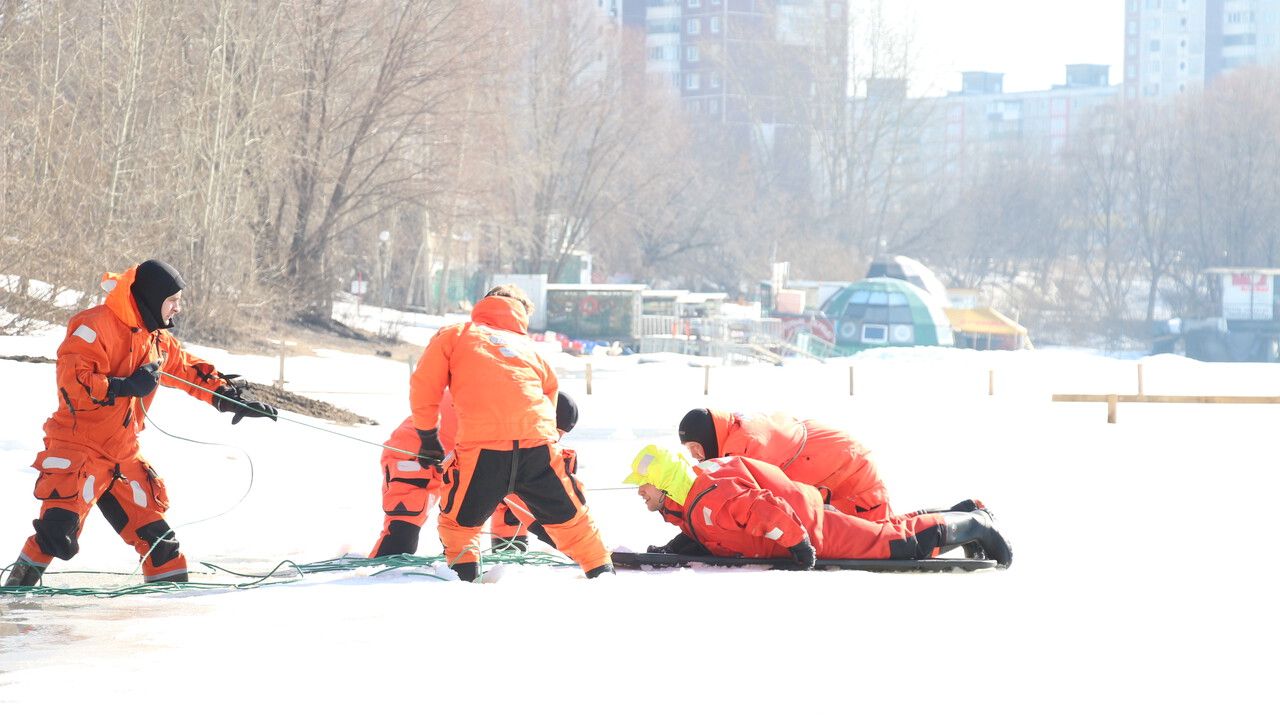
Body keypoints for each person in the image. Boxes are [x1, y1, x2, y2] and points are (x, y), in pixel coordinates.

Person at [3, 260, 278, 587]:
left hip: (123, 455)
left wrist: (228, 396)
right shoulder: (94, 326)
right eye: (172, 300)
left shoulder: (155, 340)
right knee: (56, 536)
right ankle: (15, 598)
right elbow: (73, 385)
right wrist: (124, 386)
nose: (178, 308)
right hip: (79, 448)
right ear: (151, 297)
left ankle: (169, 605)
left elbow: (189, 370)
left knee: (161, 544)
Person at [408, 285, 611, 581]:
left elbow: (424, 386)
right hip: (538, 446)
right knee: (576, 523)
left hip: (483, 450)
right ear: (520, 314)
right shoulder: (529, 349)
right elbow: (549, 398)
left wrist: (427, 438)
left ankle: (464, 584)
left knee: (459, 526)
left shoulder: (456, 334)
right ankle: (604, 576)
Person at [622, 444, 1012, 569]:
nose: (640, 493)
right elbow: (711, 532)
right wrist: (672, 552)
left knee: (897, 546)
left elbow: (764, 511)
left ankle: (977, 524)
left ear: (665, 483)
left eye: (644, 486)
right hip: (806, 513)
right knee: (885, 531)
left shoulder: (712, 498)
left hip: (811, 528)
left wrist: (800, 547)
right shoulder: (688, 495)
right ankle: (961, 510)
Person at [370, 389, 579, 557]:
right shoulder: (508, 422)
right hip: (414, 454)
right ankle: (369, 584)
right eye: (554, 434)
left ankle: (507, 555)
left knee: (507, 507)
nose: (554, 441)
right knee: (401, 538)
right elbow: (532, 503)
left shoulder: (518, 412)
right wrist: (580, 550)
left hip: (458, 457)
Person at [678, 408, 894, 521]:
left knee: (880, 539)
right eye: (689, 449)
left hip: (852, 477)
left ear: (710, 438)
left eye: (696, 447)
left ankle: (926, 531)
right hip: (837, 463)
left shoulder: (745, 446)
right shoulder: (735, 431)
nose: (695, 455)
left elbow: (753, 504)